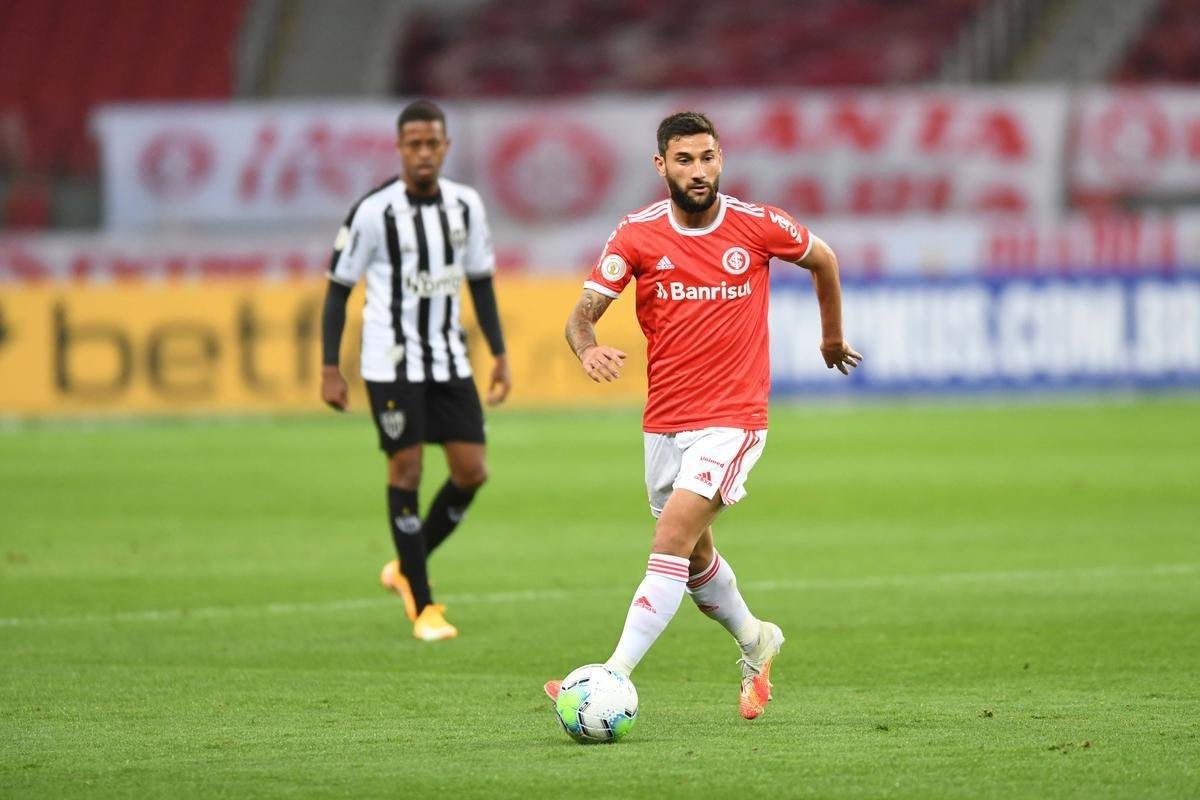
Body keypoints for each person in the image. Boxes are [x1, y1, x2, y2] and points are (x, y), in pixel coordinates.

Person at [546, 111, 861, 719]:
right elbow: (581, 316)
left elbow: (823, 258)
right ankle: (756, 639)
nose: (698, 171)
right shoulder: (637, 235)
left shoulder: (756, 225)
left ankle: (609, 677)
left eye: (708, 157)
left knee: (668, 539)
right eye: (684, 160)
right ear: (661, 165)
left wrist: (831, 337)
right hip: (664, 423)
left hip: (733, 420)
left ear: (722, 160)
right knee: (692, 560)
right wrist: (587, 349)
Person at [321, 100, 511, 642]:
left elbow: (481, 281)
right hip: (391, 362)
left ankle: (406, 565)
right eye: (414, 144)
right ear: (400, 148)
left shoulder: (466, 205)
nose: (424, 152)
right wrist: (330, 367)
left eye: (433, 143)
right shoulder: (372, 212)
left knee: (472, 472)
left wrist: (499, 354)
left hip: (449, 358)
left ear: (445, 147)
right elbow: (338, 290)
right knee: (406, 471)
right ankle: (423, 606)